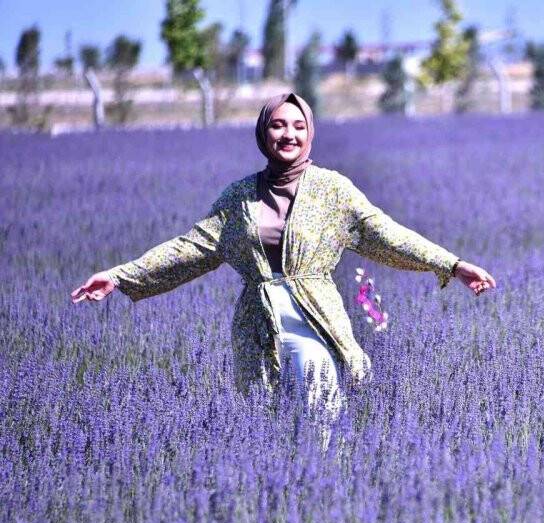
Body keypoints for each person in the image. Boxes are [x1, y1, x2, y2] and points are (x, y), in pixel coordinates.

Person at [72, 93, 496, 417]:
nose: (288, 134)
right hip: (258, 327)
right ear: (263, 134)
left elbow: (386, 235)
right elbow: (191, 248)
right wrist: (120, 276)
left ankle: (327, 492)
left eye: (298, 126)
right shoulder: (239, 196)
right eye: (277, 125)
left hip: (315, 320)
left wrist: (451, 265)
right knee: (266, 424)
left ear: (310, 133)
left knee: (321, 417)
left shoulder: (333, 190)